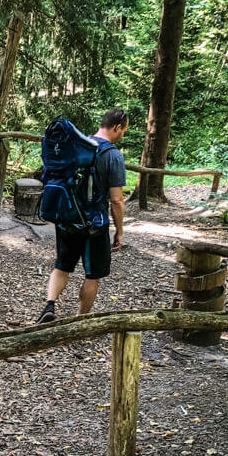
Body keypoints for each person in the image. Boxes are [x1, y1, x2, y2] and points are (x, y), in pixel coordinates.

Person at [36, 109, 129, 323]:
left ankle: (49, 306)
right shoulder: (113, 155)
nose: (123, 134)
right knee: (92, 274)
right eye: (124, 130)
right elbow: (116, 200)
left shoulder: (78, 146)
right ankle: (79, 321)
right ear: (117, 127)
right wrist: (120, 231)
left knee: (62, 267)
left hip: (67, 217)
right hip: (95, 224)